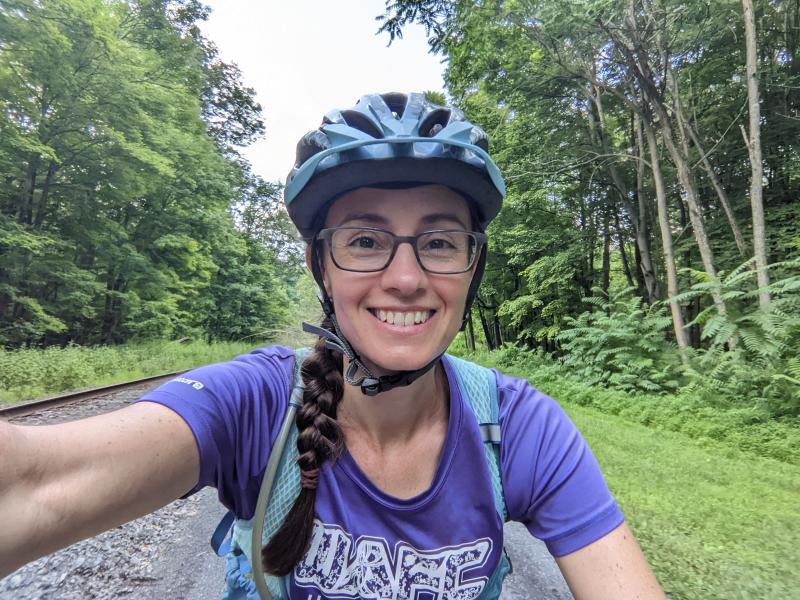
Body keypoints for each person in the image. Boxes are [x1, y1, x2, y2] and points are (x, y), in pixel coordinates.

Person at [0, 92, 666, 599]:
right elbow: (34, 484)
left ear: (473, 267)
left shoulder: (521, 429)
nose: (405, 279)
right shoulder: (258, 402)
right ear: (323, 266)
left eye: (438, 242)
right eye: (366, 241)